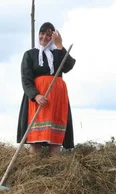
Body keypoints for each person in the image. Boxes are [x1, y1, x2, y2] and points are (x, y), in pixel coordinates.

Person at [17, 21, 76, 156]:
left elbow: (68, 66)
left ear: (53, 37)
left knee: (55, 141)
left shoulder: (58, 53)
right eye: (42, 33)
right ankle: (33, 170)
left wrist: (60, 45)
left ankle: (55, 170)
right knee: (35, 140)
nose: (44, 37)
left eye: (49, 35)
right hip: (38, 101)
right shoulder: (30, 55)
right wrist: (36, 95)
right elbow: (26, 79)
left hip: (57, 100)